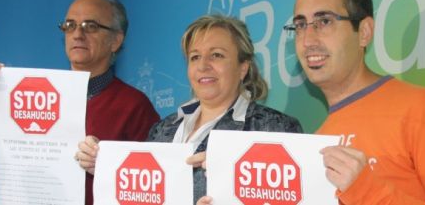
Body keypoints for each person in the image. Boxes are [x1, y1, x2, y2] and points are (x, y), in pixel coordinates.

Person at [198, 0, 425, 205]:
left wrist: (366, 189)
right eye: (300, 25)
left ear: (365, 32)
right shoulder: (319, 138)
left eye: (324, 21)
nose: (308, 39)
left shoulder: (420, 109)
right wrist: (230, 190)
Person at [76, 14, 303, 204]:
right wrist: (106, 167)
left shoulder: (275, 130)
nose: (203, 65)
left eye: (216, 55)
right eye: (195, 57)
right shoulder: (161, 130)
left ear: (243, 67)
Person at [0, 0, 160, 205]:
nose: (77, 34)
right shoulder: (32, 93)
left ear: (115, 41)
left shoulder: (135, 106)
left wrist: (106, 162)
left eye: (90, 26)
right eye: (70, 25)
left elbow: (149, 183)